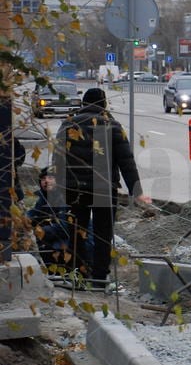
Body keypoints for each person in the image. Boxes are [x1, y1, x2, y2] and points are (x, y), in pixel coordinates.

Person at [54, 88, 151, 287]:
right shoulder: (112, 126)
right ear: (104, 104)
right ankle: (99, 278)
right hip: (103, 189)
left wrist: (59, 184)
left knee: (76, 231)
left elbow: (58, 157)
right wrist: (137, 192)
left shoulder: (69, 124)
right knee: (102, 233)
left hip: (75, 189)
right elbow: (126, 161)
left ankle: (78, 275)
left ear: (83, 103)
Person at [28, 167, 74, 268]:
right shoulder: (43, 199)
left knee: (57, 247)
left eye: (50, 177)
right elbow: (34, 214)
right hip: (53, 237)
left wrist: (40, 230)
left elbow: (63, 228)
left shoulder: (64, 198)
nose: (46, 181)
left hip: (69, 241)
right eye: (43, 179)